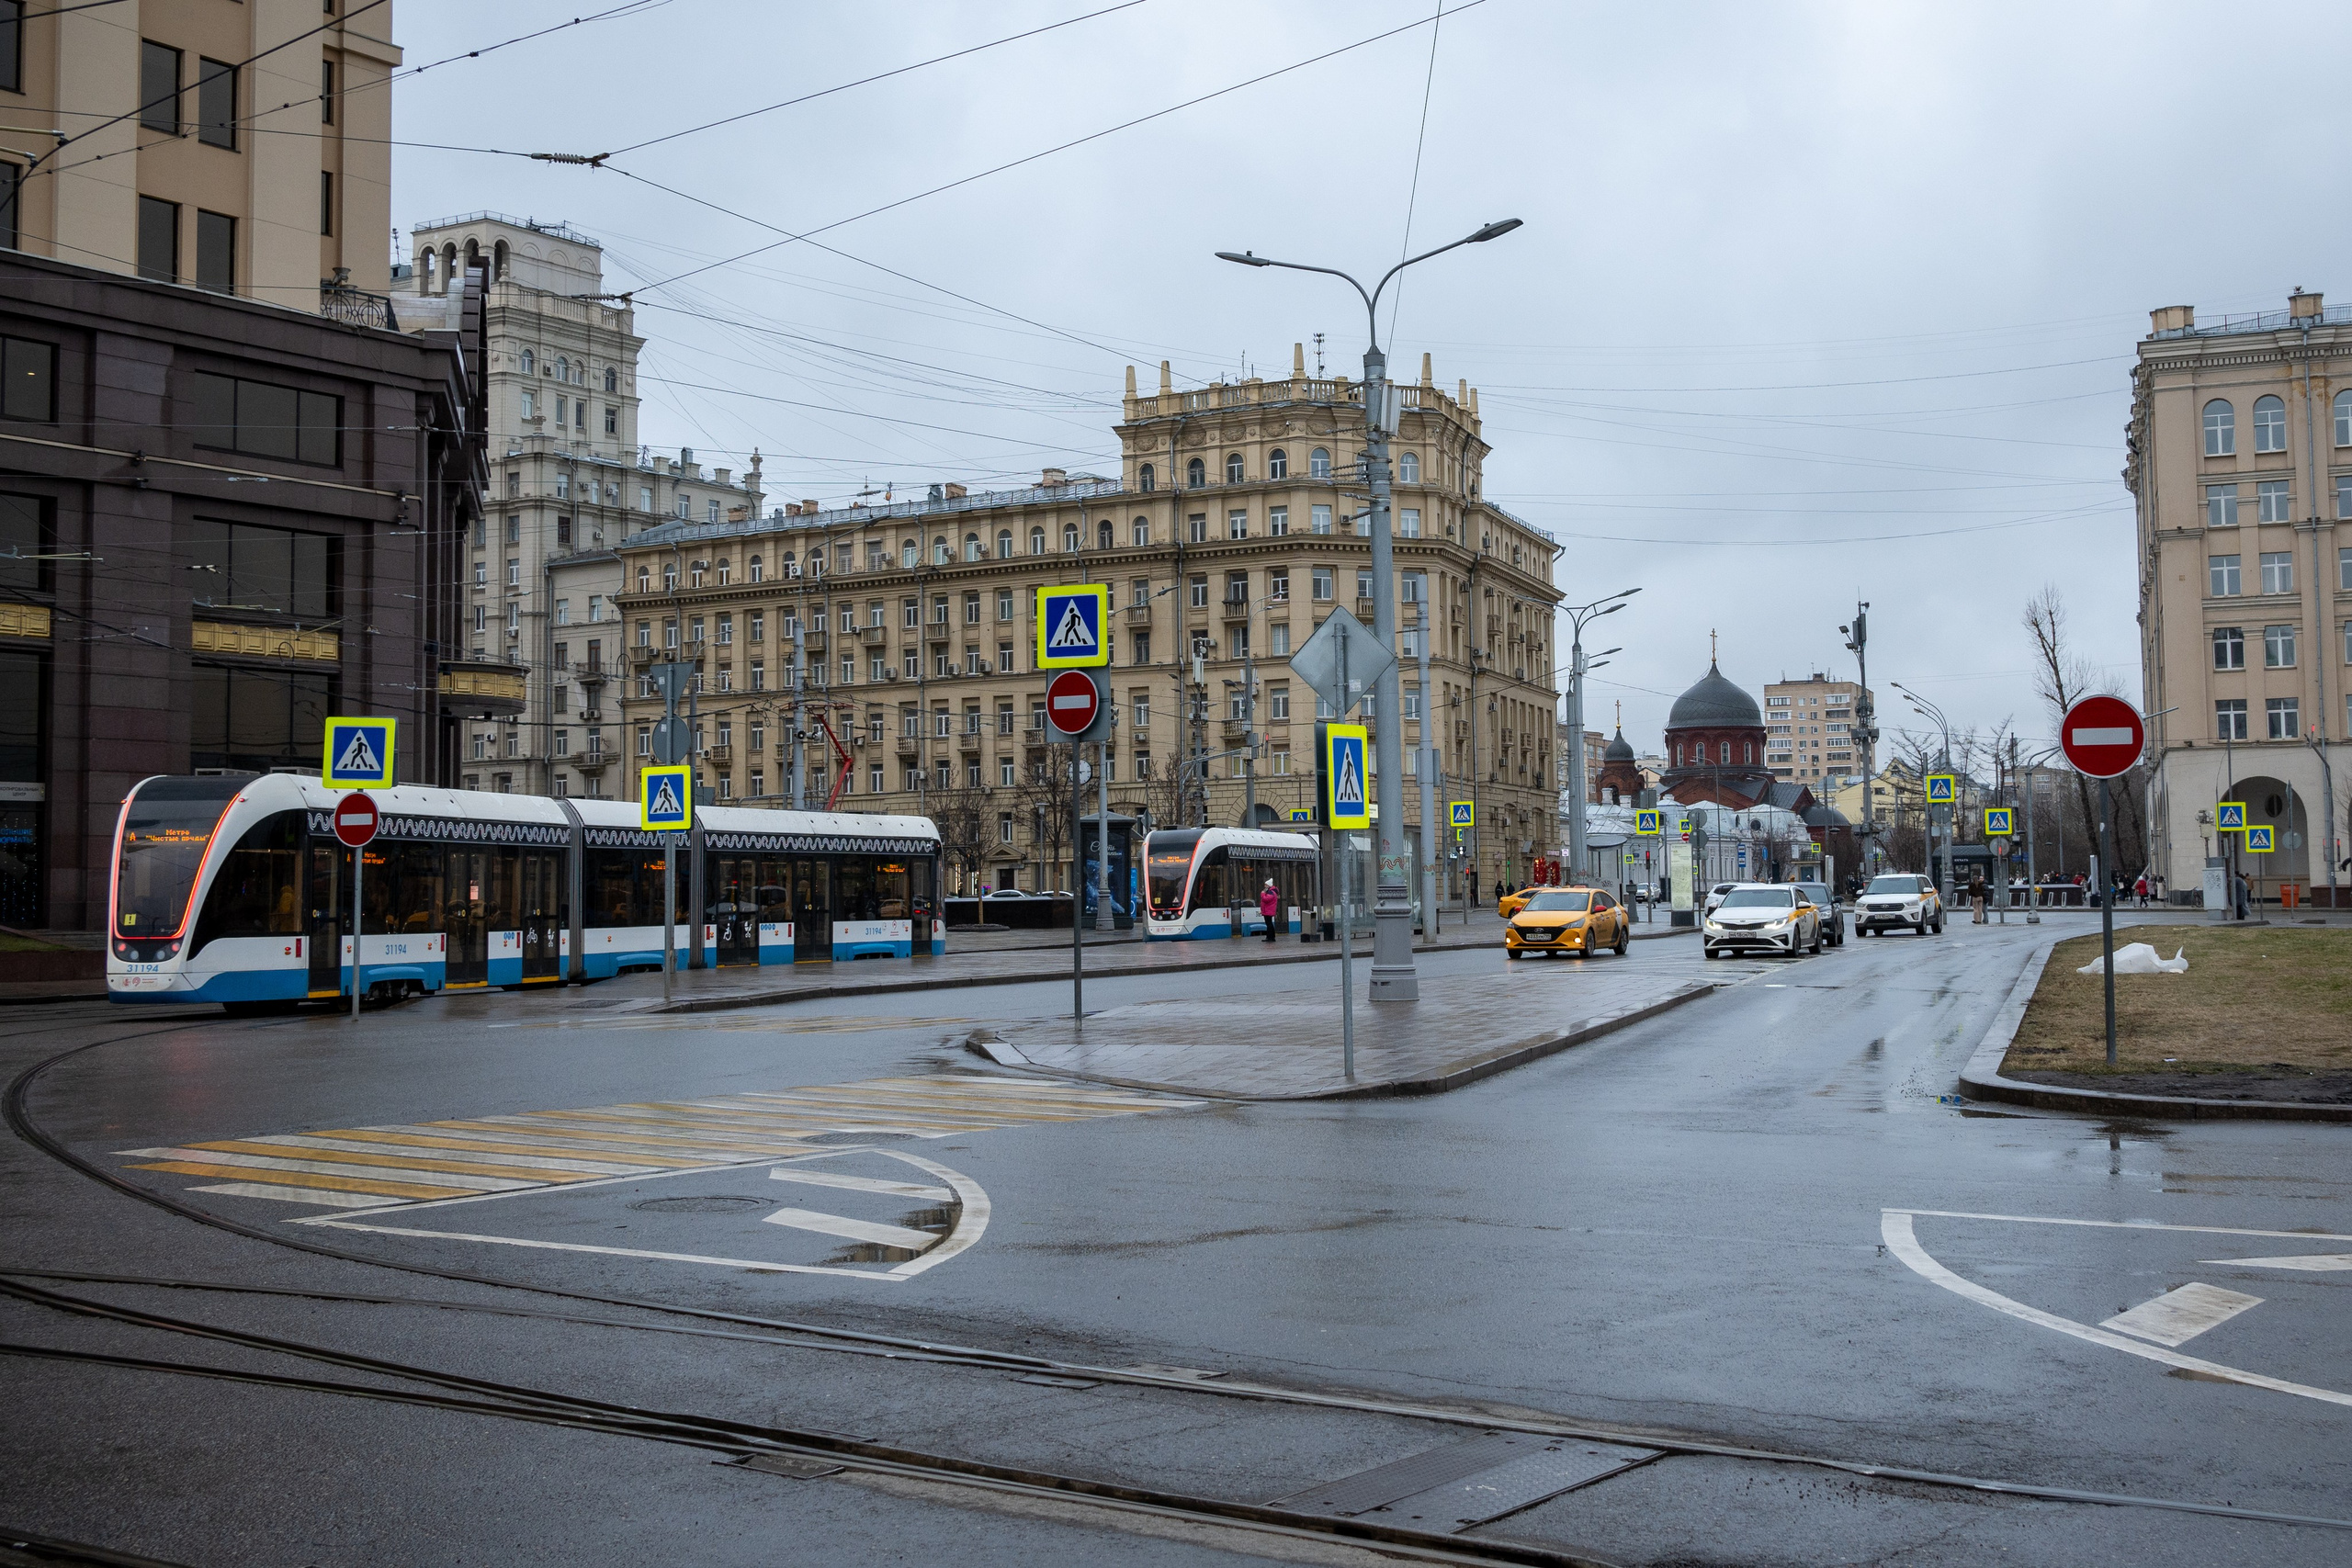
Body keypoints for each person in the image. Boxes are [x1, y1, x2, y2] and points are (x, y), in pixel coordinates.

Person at [1258, 877, 1280, 943]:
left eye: (1266, 885)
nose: (1265, 886)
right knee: (1269, 924)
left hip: (1268, 910)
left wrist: (1262, 893)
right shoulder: (1271, 892)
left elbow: (1266, 899)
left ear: (1269, 885)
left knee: (1269, 924)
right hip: (1267, 910)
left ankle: (1270, 937)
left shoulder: (1271, 892)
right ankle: (1271, 937)